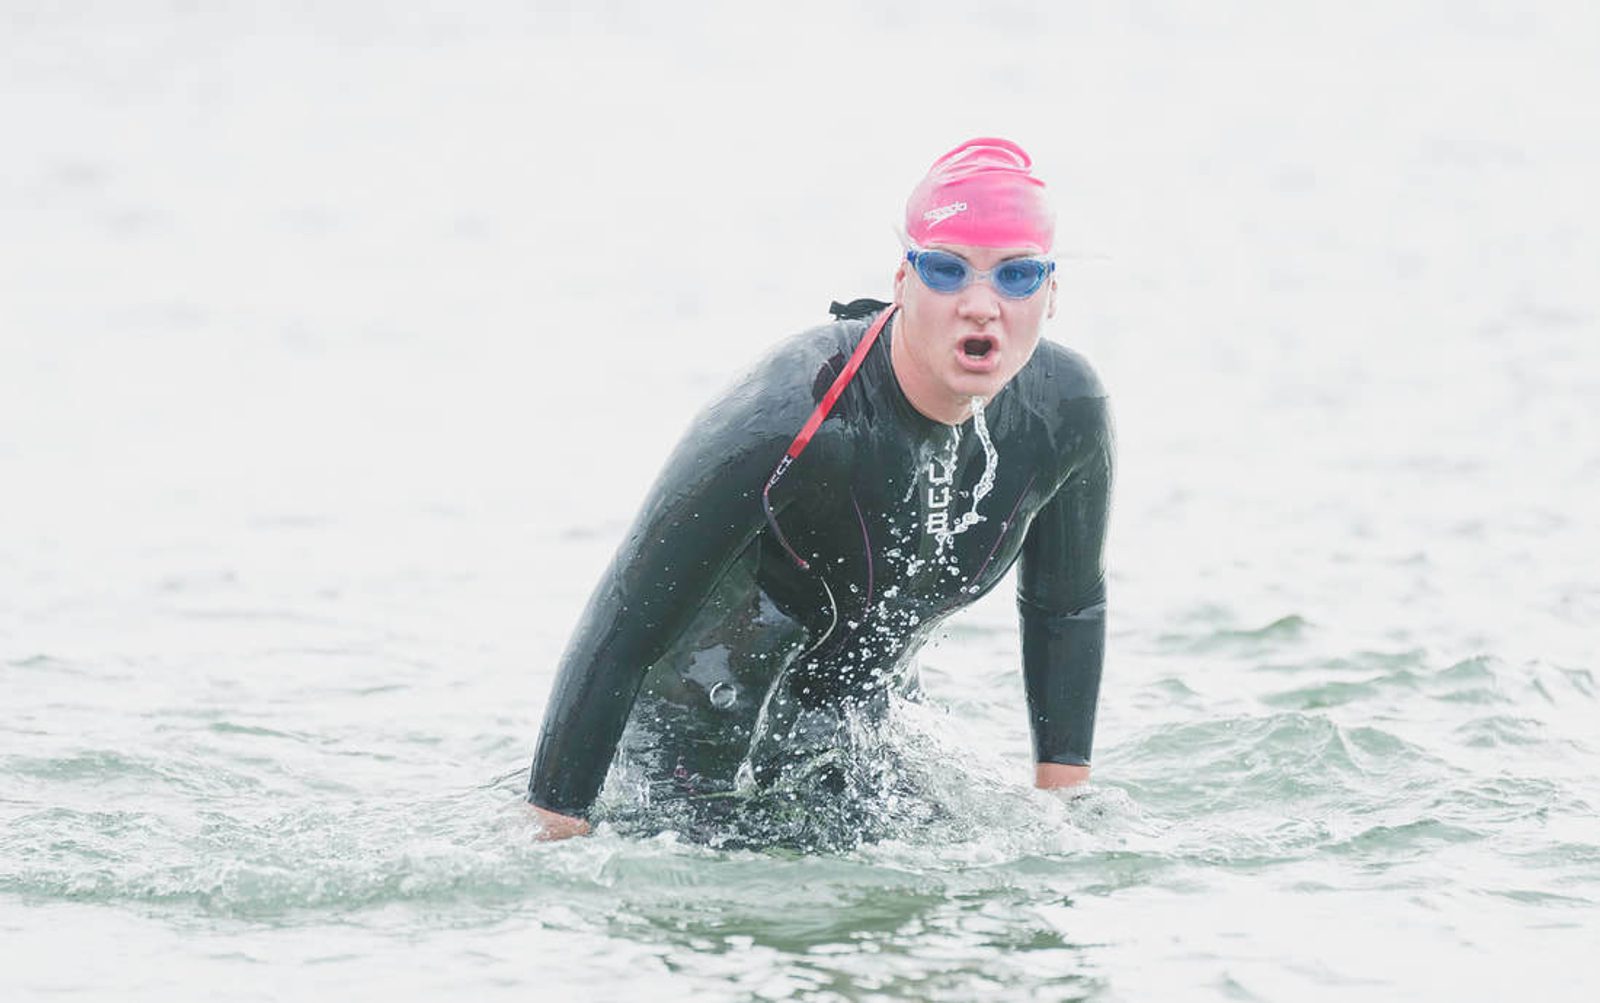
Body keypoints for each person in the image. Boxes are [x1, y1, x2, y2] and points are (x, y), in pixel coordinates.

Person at [526, 138, 1113, 843]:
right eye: (947, 270)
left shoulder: (1063, 412)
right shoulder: (790, 417)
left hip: (860, 752)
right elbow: (620, 625)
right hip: (686, 770)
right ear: (902, 281)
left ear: (1051, 295)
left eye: (1016, 275)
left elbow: (1067, 605)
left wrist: (1064, 815)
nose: (981, 305)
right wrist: (557, 837)